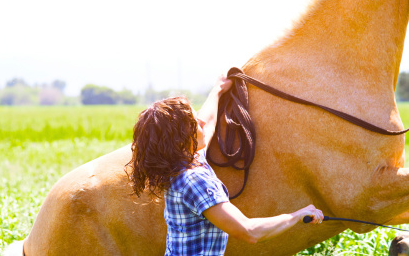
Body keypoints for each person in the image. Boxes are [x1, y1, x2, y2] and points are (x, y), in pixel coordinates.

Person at [126, 75, 324, 256]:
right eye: (195, 122)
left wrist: (218, 89)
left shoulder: (181, 163)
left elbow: (209, 122)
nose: (201, 122)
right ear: (181, 138)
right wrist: (297, 215)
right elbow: (248, 231)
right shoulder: (194, 180)